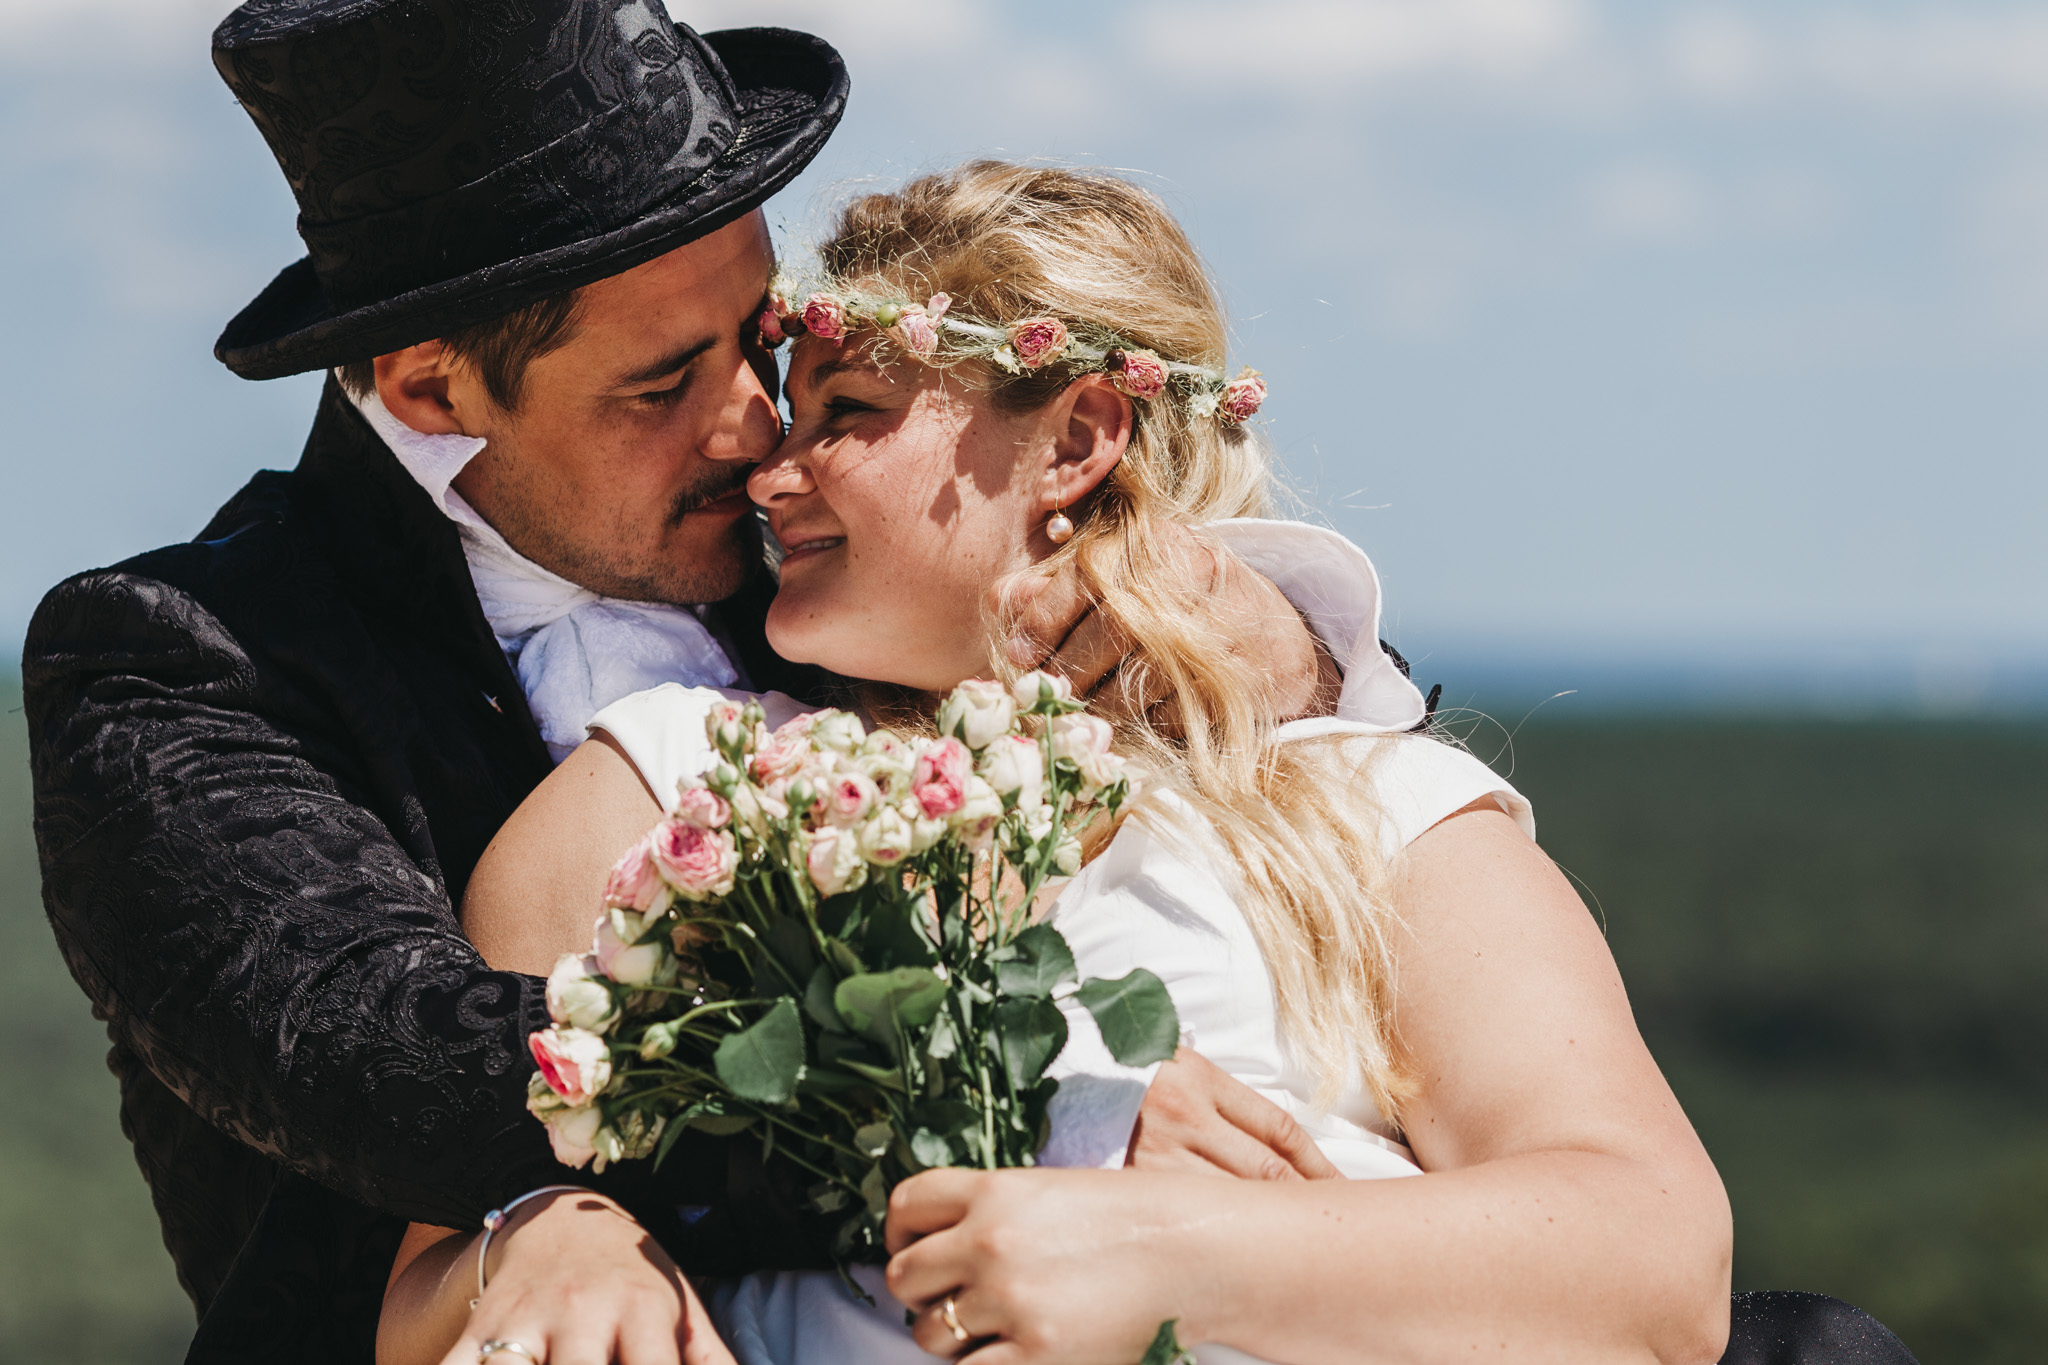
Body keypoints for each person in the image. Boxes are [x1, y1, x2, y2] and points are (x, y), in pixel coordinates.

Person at [377, 164, 1919, 1365]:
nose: (769, 471)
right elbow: (421, 1295)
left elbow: (1659, 1265)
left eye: (845, 415)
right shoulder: (665, 794)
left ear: (1078, 437)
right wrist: (544, 1232)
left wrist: (1172, 1247)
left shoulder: (1358, 816)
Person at [22, 6, 1337, 1364]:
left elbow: (1149, 647)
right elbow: (391, 1050)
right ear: (431, 387)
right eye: (664, 383)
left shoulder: (824, 557)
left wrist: (1300, 649)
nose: (759, 427)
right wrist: (1031, 1075)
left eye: (756, 341)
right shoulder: (175, 657)